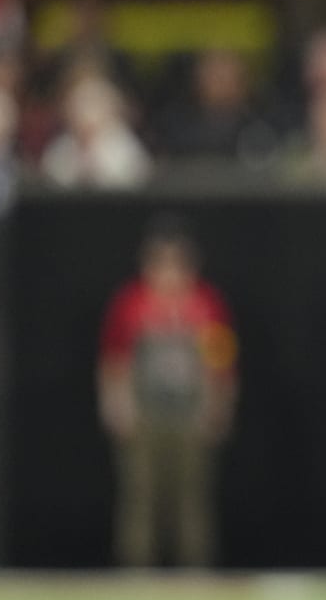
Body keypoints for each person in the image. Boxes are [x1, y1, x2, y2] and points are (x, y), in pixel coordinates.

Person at [97, 217, 237, 568]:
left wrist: (219, 406)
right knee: (141, 497)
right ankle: (137, 571)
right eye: (161, 261)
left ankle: (194, 572)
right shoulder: (131, 304)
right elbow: (115, 361)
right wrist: (117, 406)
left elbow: (221, 363)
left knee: (191, 499)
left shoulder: (207, 305)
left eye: (177, 262)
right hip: (145, 415)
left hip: (190, 415)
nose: (169, 272)